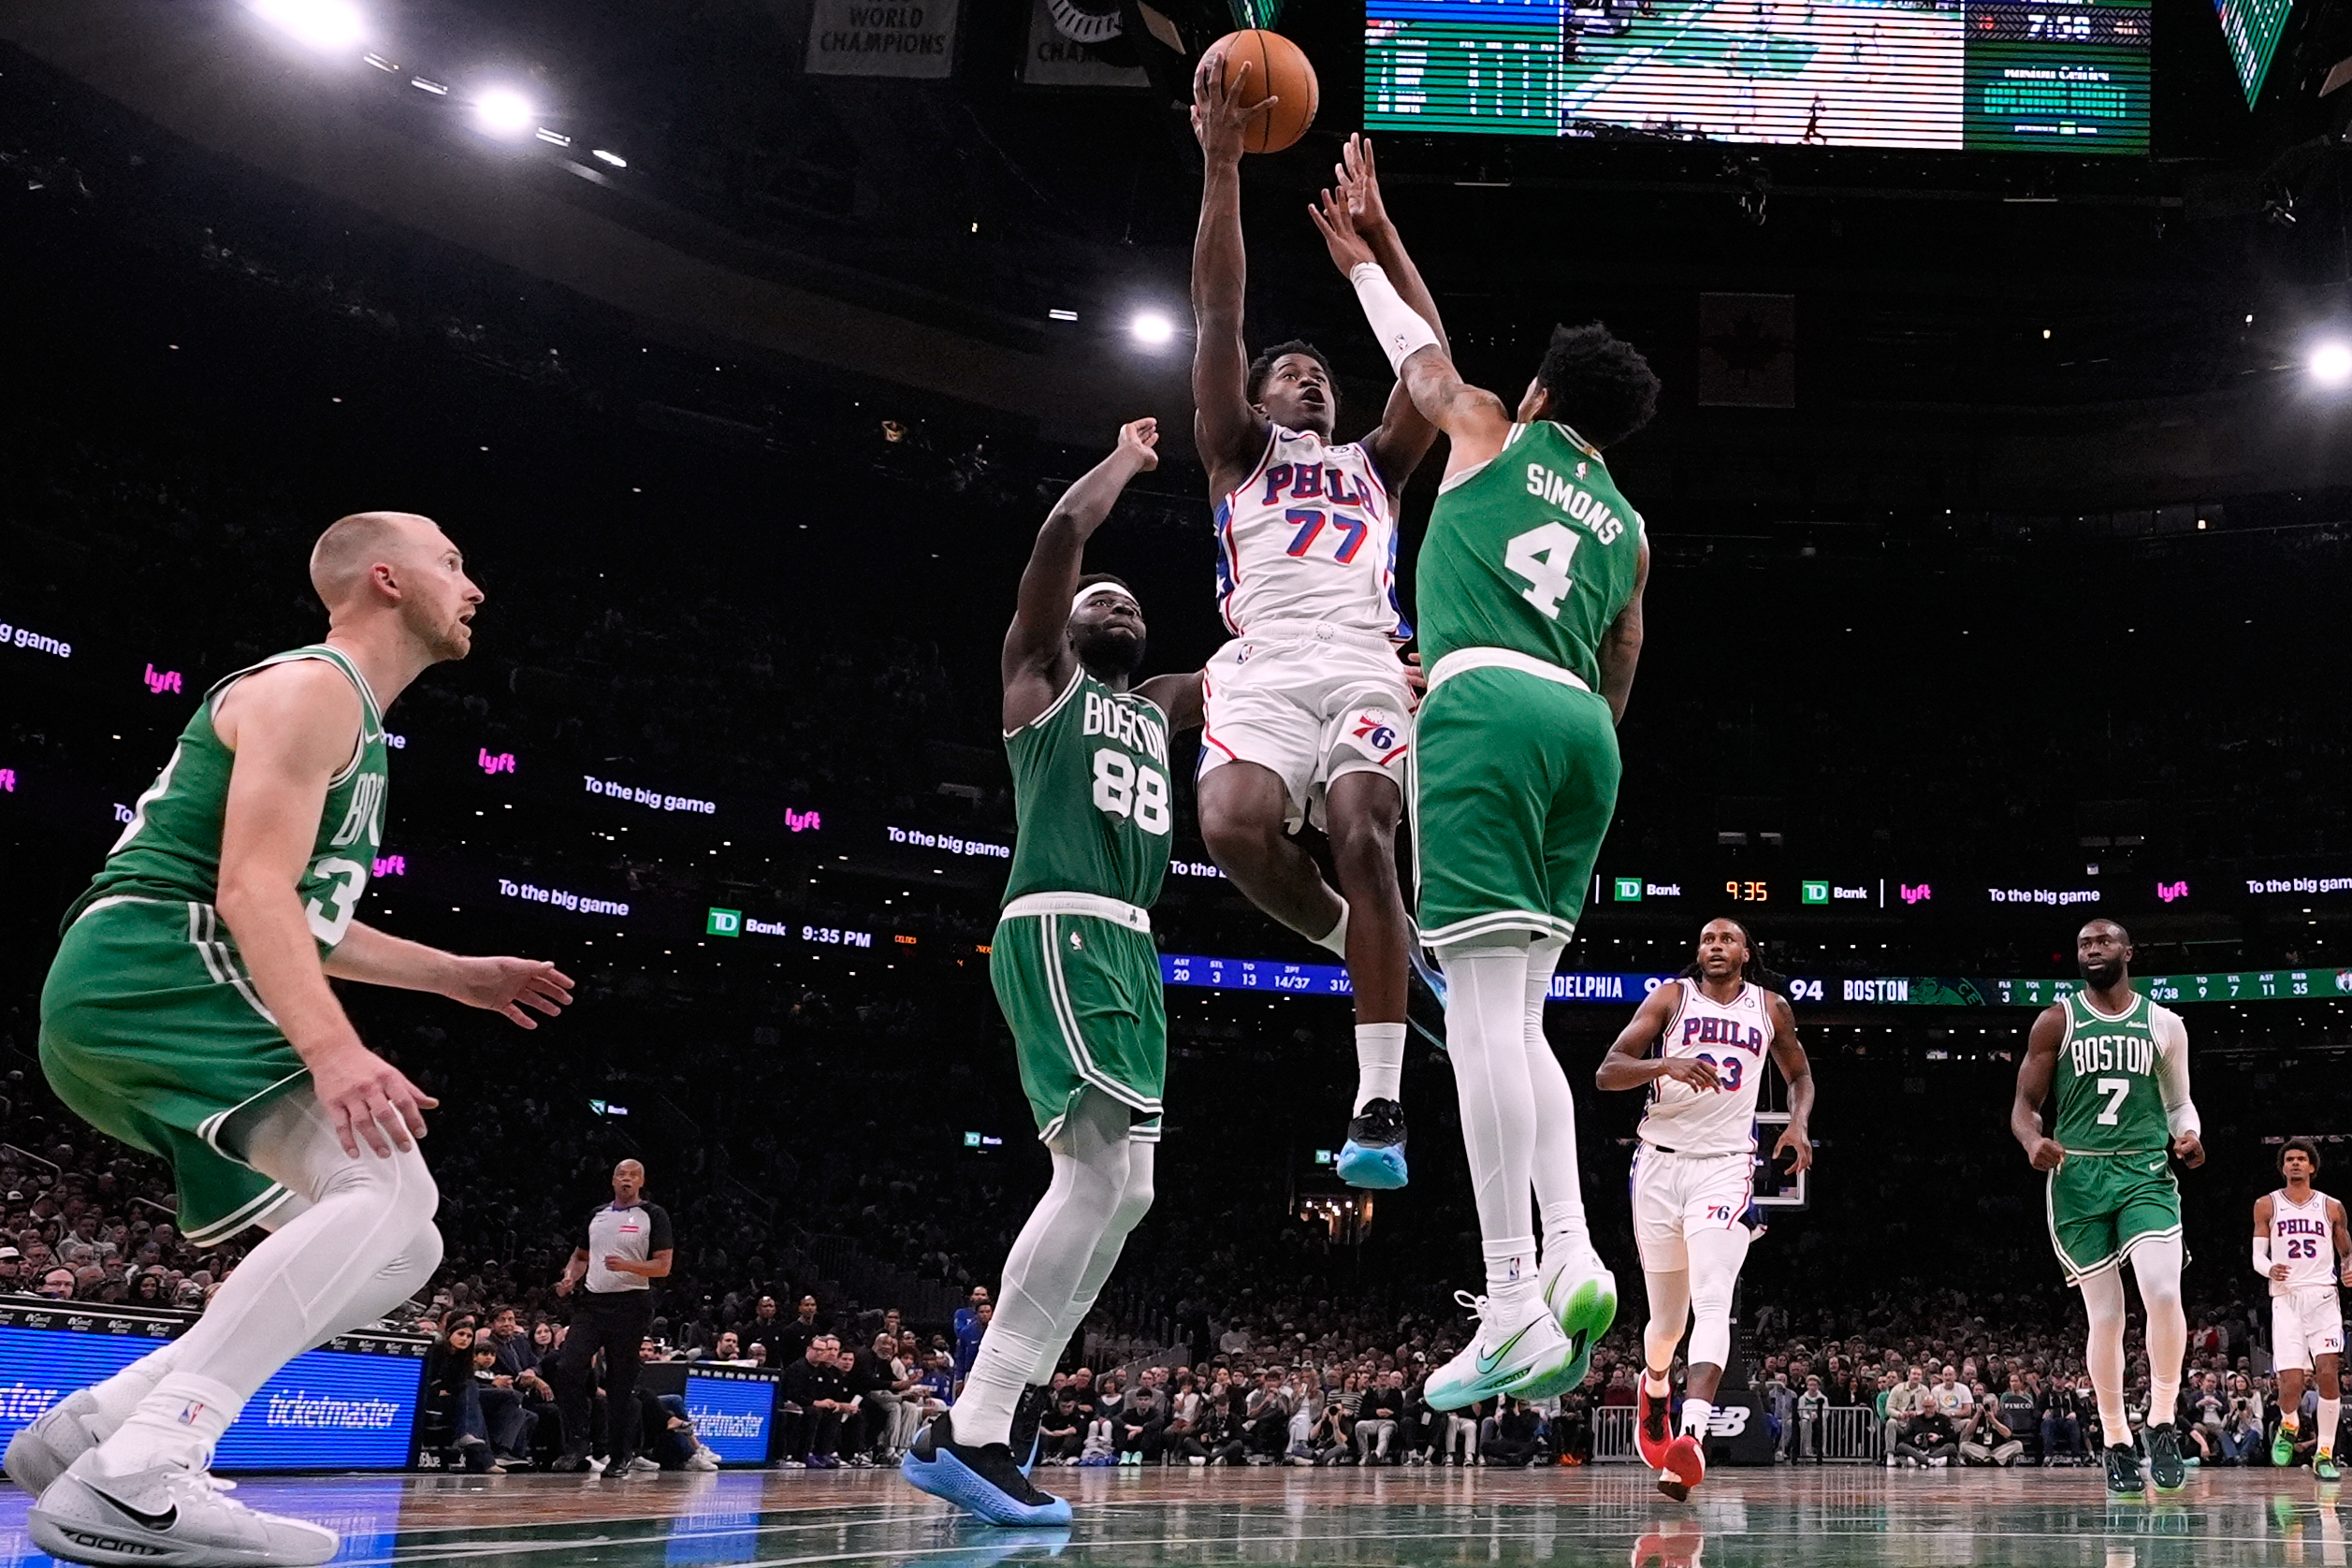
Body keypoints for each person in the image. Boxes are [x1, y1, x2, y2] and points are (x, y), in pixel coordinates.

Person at [15, 513, 573, 1568]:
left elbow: (308, 914)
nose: (474, 584)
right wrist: (333, 1048)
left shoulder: (350, 716)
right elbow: (248, 890)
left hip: (126, 988)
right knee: (389, 1187)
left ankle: (109, 1422)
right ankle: (144, 1471)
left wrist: (455, 974)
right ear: (384, 579)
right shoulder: (313, 686)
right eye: (452, 560)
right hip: (153, 963)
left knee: (408, 1242)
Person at [1310, 134, 1657, 1426]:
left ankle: (1510, 1290)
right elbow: (1620, 661)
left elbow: (1418, 356)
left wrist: (1361, 255)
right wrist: (1562, 739)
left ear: (1533, 394)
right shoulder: (1628, 526)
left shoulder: (1480, 431)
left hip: (1491, 716)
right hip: (1584, 739)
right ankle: (1568, 1252)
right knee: (1515, 1017)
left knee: (1480, 1022)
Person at [900, 418, 1203, 1528]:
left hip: (1129, 939)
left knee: (1133, 1188)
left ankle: (1008, 1405)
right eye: (1097, 604)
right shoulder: (1041, 686)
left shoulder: (1156, 707)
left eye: (1130, 603)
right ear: (1062, 631)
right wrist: (1125, 462)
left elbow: (1256, 674)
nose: (1115, 607)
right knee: (1089, 1175)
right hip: (1063, 927)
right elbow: (1063, 532)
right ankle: (970, 1425)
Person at [1191, 68, 1441, 1193]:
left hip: (1361, 658)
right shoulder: (1237, 450)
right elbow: (1218, 314)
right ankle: (1365, 947)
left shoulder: (1375, 466)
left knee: (1364, 831)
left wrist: (1383, 244)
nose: (1310, 382)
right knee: (1236, 825)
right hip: (1260, 662)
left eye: (1323, 374)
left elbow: (1430, 368)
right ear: (1257, 397)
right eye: (1292, 374)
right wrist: (1224, 165)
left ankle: (1378, 1099)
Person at [1596, 918, 1815, 1499]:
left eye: (1726, 940)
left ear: (1746, 952)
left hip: (1725, 1167)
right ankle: (1657, 1386)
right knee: (1666, 1324)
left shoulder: (1770, 1008)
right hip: (1659, 1166)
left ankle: (1689, 1436)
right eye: (1706, 940)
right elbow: (1607, 1072)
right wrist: (1664, 1065)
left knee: (1713, 1300)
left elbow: (1799, 1074)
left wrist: (1797, 1123)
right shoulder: (1671, 997)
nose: (1714, 947)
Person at [2011, 918, 2203, 1497]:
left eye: (2103, 942)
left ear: (2128, 952)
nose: (2092, 950)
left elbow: (2180, 1104)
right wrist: (2030, 1141)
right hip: (2077, 1174)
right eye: (2083, 945)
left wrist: (2190, 1135)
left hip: (2143, 1167)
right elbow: (2024, 1103)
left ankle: (2163, 1419)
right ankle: (2117, 1438)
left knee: (2163, 1290)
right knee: (2107, 1316)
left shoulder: (2164, 1024)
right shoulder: (2057, 1020)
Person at [548, 1160, 675, 1474]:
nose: (626, 1180)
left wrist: (630, 1266)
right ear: (613, 1181)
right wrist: (569, 1278)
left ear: (641, 1181)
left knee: (620, 1383)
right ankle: (577, 1444)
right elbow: (580, 1256)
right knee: (567, 1367)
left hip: (631, 1305)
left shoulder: (653, 1215)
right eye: (621, 1175)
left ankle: (620, 1454)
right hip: (592, 1303)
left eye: (632, 1175)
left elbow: (663, 1266)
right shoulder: (597, 1215)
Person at [2256, 1137, 2351, 1480]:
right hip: (2286, 1298)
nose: (2295, 1163)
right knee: (2291, 1383)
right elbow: (2256, 1254)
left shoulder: (2331, 1206)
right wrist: (2268, 1269)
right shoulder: (2267, 1205)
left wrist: (2348, 1264)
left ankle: (2324, 1454)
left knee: (2329, 1374)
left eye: (2301, 1159)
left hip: (2323, 1296)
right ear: (2283, 1167)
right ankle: (2289, 1422)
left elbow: (2344, 1242)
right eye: (2289, 1159)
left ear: (2312, 1166)